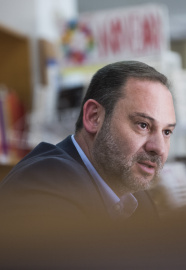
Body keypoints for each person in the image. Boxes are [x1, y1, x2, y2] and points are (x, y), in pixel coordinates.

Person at [0, 61, 176, 230]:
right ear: (94, 117)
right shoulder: (47, 180)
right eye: (143, 125)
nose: (159, 148)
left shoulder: (138, 201)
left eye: (166, 132)